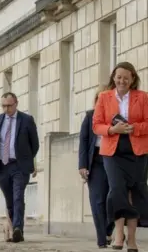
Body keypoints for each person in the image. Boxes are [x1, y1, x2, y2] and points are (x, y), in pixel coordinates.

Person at [93, 61, 148, 252]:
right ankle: (118, 234)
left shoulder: (143, 97)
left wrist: (134, 128)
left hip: (137, 150)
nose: (122, 80)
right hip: (112, 151)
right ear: (113, 78)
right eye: (118, 77)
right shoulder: (104, 97)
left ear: (132, 79)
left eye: (126, 77)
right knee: (117, 190)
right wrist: (112, 129)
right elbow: (96, 125)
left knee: (134, 193)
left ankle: (131, 239)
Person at [0, 92, 39, 243]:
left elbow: (35, 144)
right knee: (10, 200)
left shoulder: (27, 120)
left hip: (19, 165)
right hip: (3, 165)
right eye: (3, 106)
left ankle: (18, 229)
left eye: (9, 106)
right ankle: (13, 229)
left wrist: (27, 160)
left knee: (18, 196)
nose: (6, 109)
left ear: (16, 104)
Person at [78, 84, 114, 248]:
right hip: (96, 161)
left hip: (113, 159)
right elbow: (83, 141)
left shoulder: (117, 117)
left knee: (112, 198)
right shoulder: (90, 116)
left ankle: (109, 229)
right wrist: (82, 165)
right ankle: (102, 238)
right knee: (97, 200)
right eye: (99, 99)